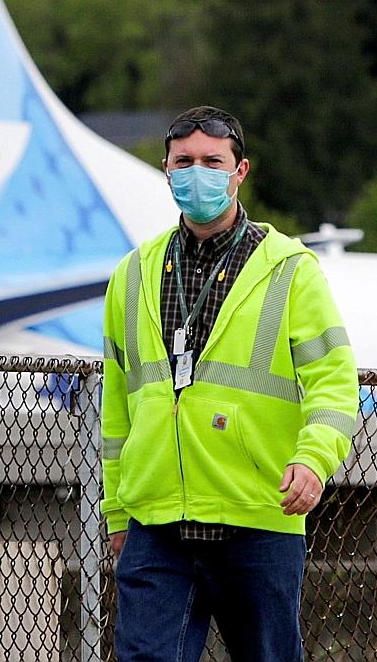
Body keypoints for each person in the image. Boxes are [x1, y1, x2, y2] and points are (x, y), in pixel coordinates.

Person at [102, 106, 359, 662]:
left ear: (240, 171)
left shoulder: (290, 268)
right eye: (184, 162)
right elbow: (117, 407)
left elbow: (335, 384)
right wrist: (118, 513)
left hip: (256, 517)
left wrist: (314, 460)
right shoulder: (133, 273)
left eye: (213, 162)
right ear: (166, 171)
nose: (198, 174)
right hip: (157, 521)